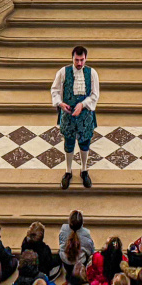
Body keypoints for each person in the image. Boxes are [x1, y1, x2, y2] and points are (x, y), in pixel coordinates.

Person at [52, 46, 100, 189]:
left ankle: (84, 170)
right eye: (76, 60)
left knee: (85, 143)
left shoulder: (92, 73)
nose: (79, 63)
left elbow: (94, 95)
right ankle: (68, 171)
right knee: (69, 143)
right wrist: (60, 103)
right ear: (72, 58)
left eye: (82, 60)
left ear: (86, 58)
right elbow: (54, 90)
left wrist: (83, 105)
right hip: (68, 115)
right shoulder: (63, 72)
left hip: (85, 116)